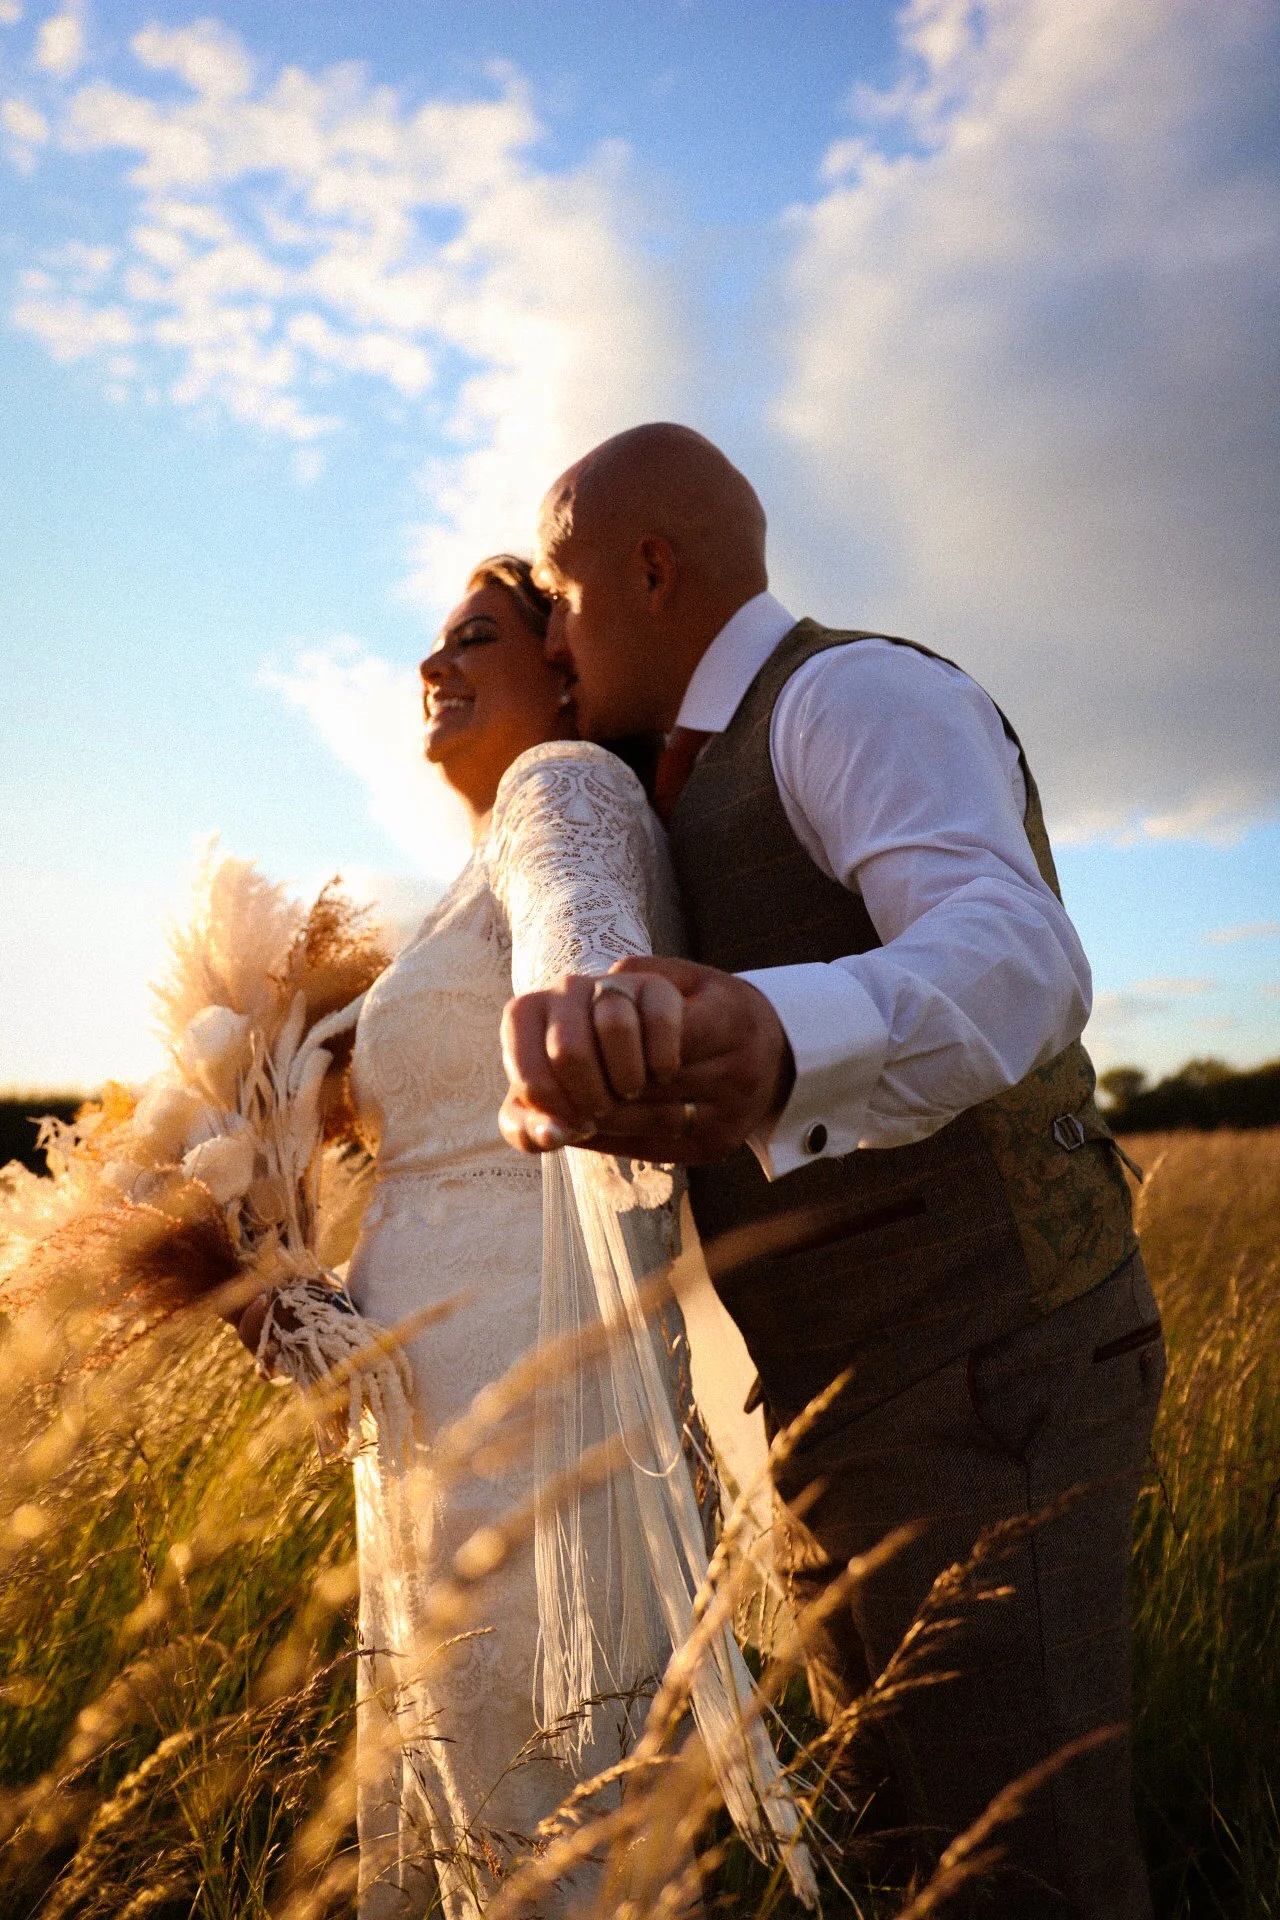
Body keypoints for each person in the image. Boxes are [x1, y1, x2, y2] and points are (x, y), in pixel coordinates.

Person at [498, 425, 1166, 1918]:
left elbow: (1013, 950)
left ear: (653, 567)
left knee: (1027, 1873)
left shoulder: (850, 693)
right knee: (911, 1846)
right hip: (844, 1400)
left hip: (996, 1372)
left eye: (561, 587)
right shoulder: (660, 789)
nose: (551, 629)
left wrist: (779, 1033)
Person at [286, 553, 806, 1920]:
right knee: (494, 1801)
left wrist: (590, 1000)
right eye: (432, 641)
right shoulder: (454, 890)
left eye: (476, 636)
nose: (432, 663)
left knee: (547, 1809)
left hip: (527, 1398)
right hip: (434, 1409)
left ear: (564, 670)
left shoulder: (559, 788)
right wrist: (284, 1284)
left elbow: (580, 914)